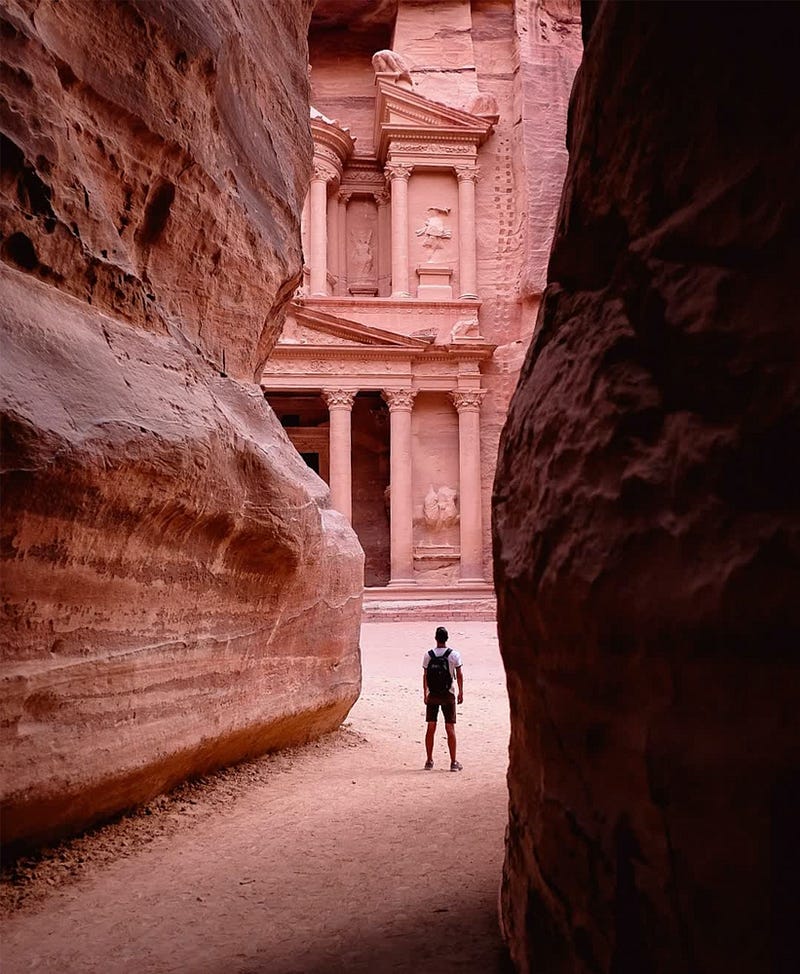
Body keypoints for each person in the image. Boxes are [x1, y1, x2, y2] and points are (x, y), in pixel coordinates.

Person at [422, 626, 464, 771]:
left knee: (431, 726)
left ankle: (429, 761)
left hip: (432, 694)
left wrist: (425, 693)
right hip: (448, 694)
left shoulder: (428, 655)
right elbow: (459, 675)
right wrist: (460, 692)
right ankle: (453, 762)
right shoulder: (454, 655)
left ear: (436, 638)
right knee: (450, 727)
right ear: (447, 638)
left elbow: (425, 675)